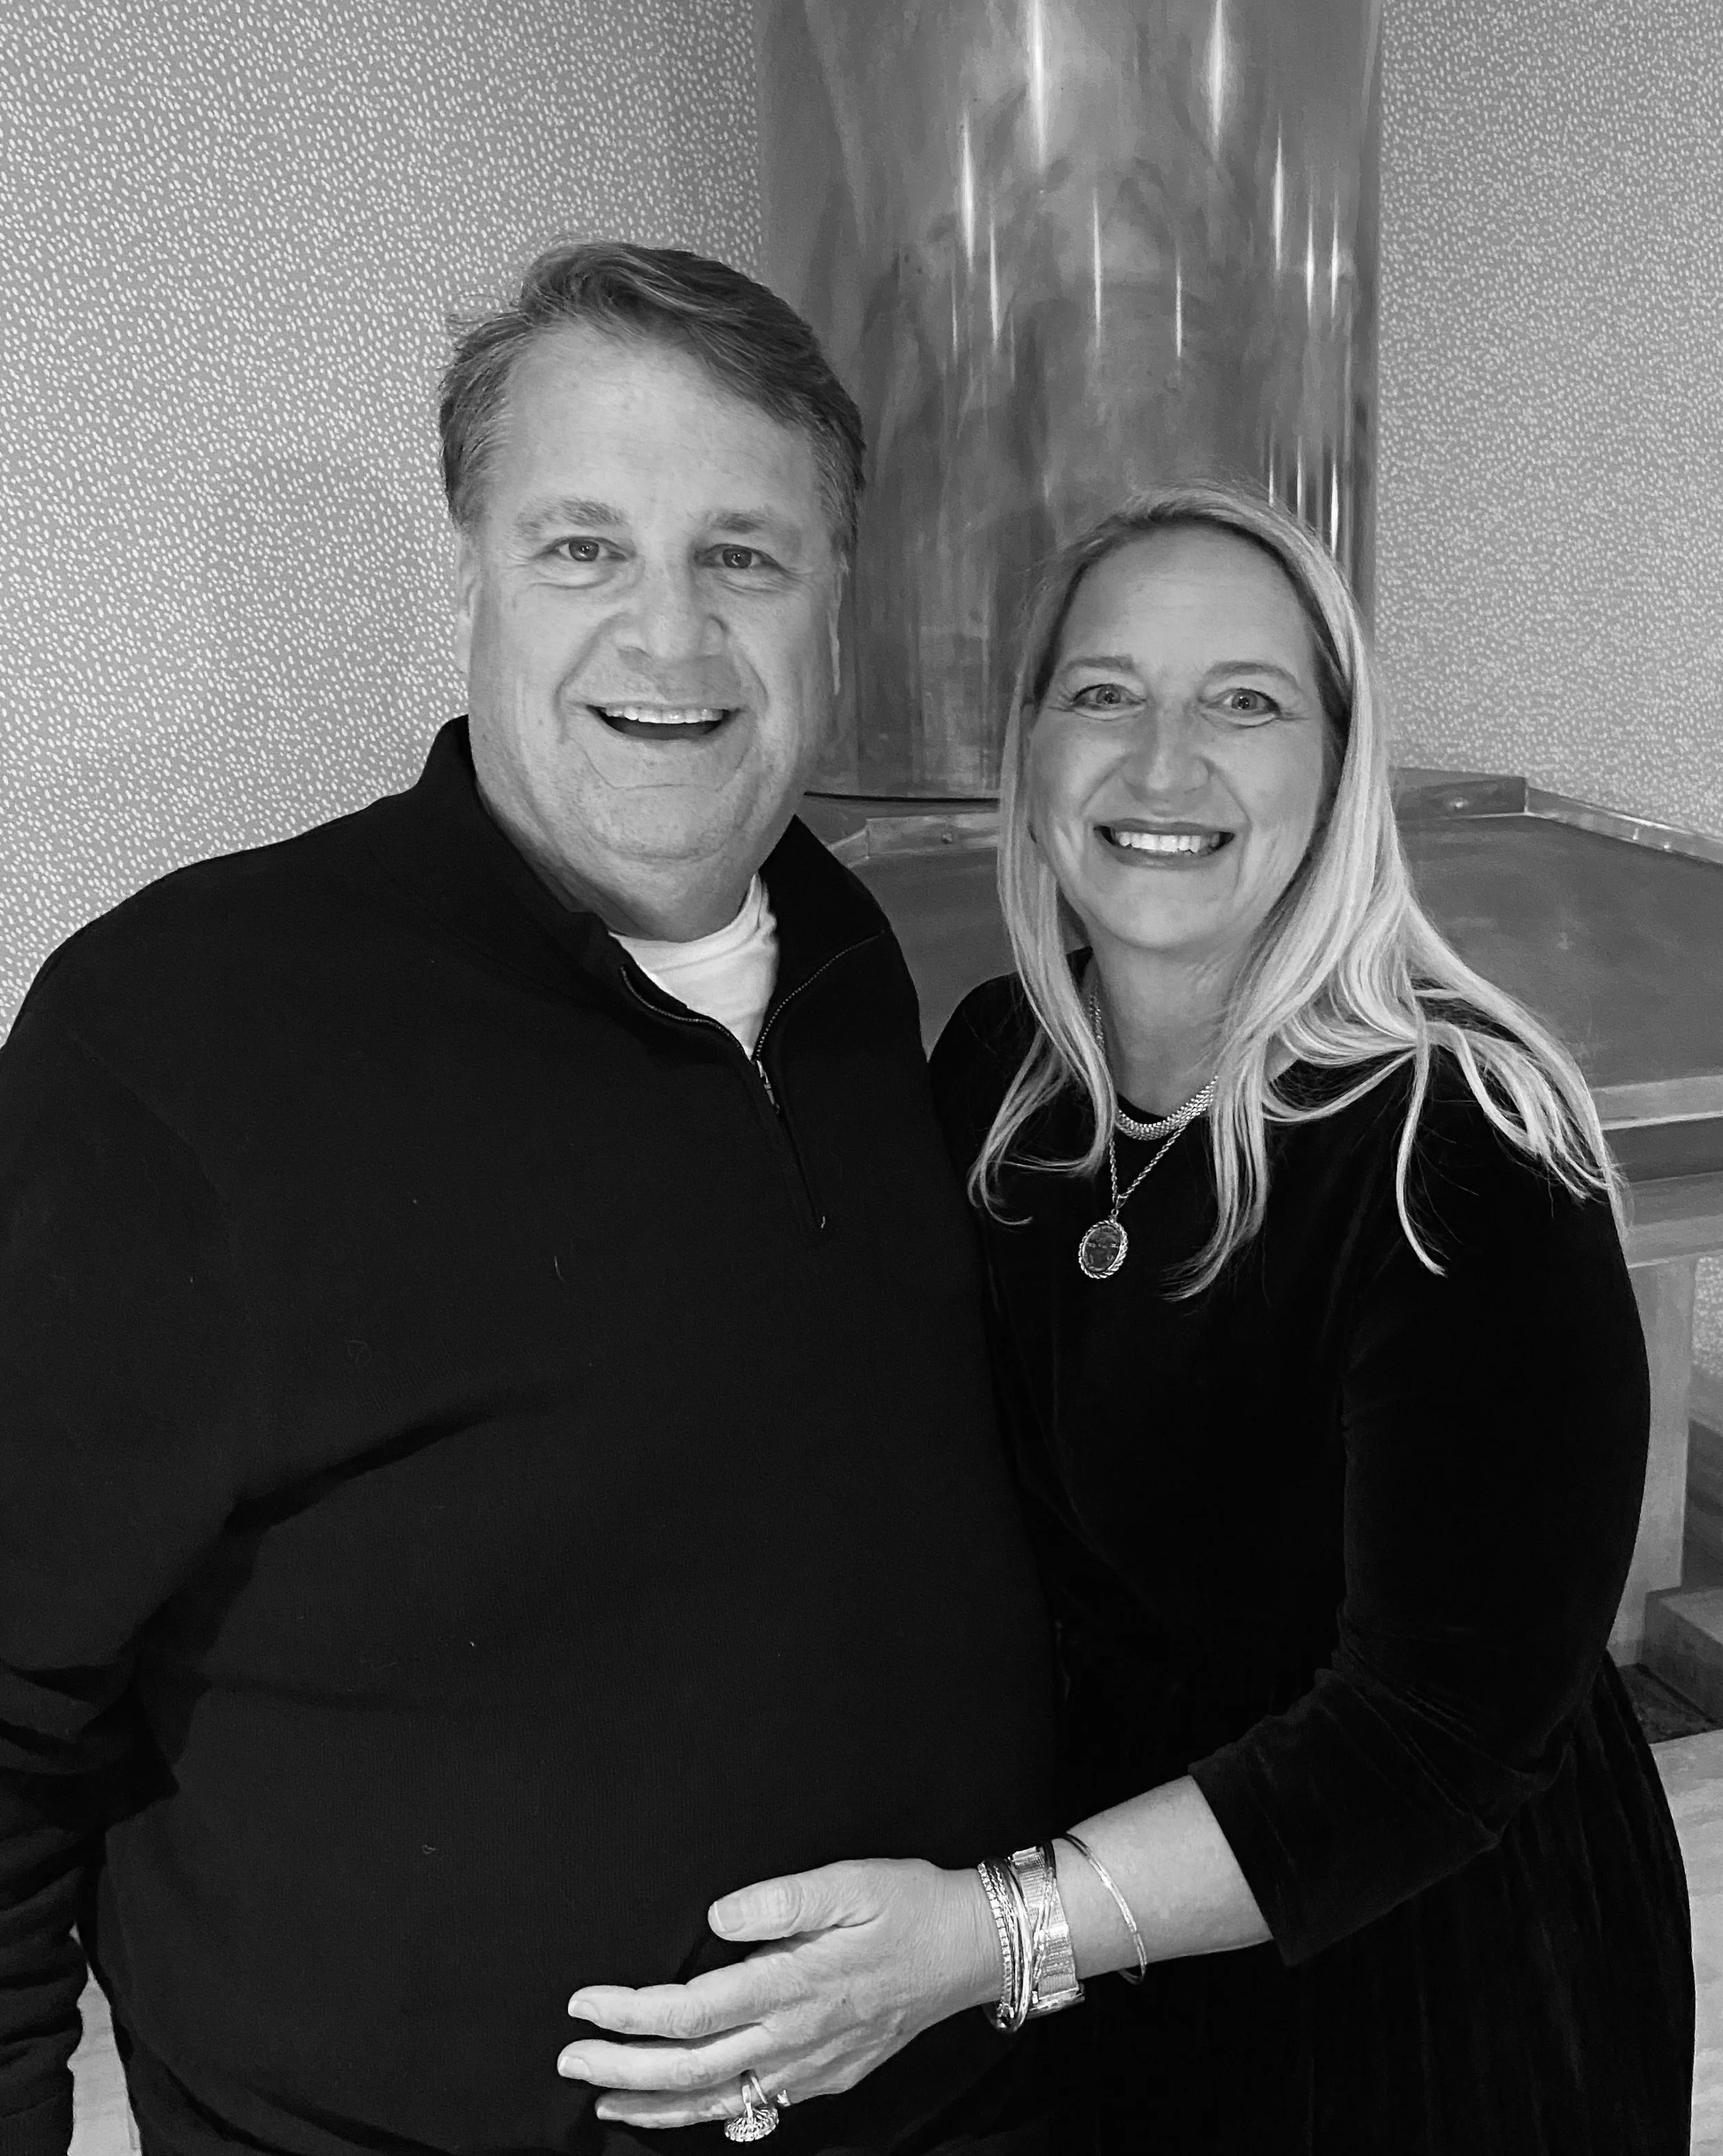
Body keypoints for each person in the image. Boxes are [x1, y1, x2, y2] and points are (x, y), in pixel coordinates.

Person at [0, 241, 1061, 2156]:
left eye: (743, 555)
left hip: (941, 2095)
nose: (668, 639)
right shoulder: (178, 1030)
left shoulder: (851, 963)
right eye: (583, 547)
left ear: (837, 599)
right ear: (469, 571)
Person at [554, 485, 1695, 2154]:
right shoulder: (999, 1066)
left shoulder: (1462, 1145)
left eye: (1244, 701)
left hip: (1419, 1972)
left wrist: (993, 1934)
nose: (1163, 766)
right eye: (1104, 694)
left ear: (1335, 759)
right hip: (1101, 1952)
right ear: (1028, 748)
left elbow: (1432, 1739)